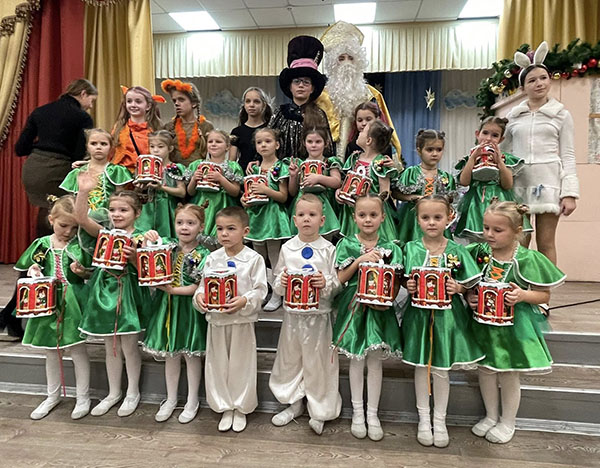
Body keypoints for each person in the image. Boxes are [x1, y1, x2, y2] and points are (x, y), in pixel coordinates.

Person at [465, 201, 565, 444]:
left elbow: (543, 295)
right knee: (485, 369)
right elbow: (468, 284)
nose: (489, 234)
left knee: (509, 373)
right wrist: (469, 297)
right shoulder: (479, 253)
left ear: (517, 231)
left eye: (497, 230)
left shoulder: (528, 258)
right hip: (483, 323)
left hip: (514, 326)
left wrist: (522, 295)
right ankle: (490, 416)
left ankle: (508, 421)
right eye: (486, 228)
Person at [402, 195, 484, 448]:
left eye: (437, 217)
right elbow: (405, 279)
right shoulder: (411, 248)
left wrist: (458, 287)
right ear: (418, 220)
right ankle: (423, 419)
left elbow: (470, 283)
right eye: (425, 217)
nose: (431, 222)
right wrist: (409, 285)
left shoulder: (456, 250)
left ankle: (440, 420)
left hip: (447, 318)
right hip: (419, 317)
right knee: (421, 366)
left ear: (449, 218)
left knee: (440, 369)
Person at [74, 176, 149, 417]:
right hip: (105, 291)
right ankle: (113, 392)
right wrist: (83, 192)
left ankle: (133, 392)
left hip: (129, 293)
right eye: (113, 210)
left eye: (123, 210)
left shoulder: (143, 237)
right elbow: (81, 218)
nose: (117, 214)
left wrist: (134, 257)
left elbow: (148, 271)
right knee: (111, 346)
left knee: (129, 346)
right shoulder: (105, 233)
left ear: (137, 213)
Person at [332, 194, 403, 441]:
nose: (368, 219)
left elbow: (396, 282)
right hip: (354, 306)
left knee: (374, 361)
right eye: (362, 215)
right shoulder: (346, 244)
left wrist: (388, 299)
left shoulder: (392, 247)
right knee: (356, 359)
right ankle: (357, 412)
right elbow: (340, 278)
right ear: (354, 218)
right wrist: (359, 261)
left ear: (383, 217)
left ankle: (373, 414)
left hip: (379, 310)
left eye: (373, 215)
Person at [14, 195, 92, 420]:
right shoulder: (42, 244)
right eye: (63, 225)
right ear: (51, 220)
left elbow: (89, 272)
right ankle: (52, 395)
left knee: (77, 350)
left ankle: (83, 397)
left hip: (73, 302)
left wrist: (82, 272)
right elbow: (34, 265)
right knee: (51, 351)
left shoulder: (79, 246)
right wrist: (34, 271)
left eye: (74, 227)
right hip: (47, 301)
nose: (68, 232)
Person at [270, 194, 342, 435]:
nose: (306, 219)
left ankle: (319, 409)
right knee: (291, 360)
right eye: (301, 215)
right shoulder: (287, 248)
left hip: (319, 316)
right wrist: (281, 282)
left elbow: (336, 283)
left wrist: (326, 283)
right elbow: (277, 282)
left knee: (318, 363)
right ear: (294, 220)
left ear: (322, 220)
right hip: (293, 317)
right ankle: (293, 404)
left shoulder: (329, 249)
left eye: (312, 215)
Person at [502, 41, 579, 265]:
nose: (539, 84)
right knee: (519, 242)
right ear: (523, 87)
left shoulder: (561, 114)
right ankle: (517, 284)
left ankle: (547, 287)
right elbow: (503, 152)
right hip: (519, 184)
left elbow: (568, 155)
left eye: (543, 78)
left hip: (549, 183)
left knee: (546, 243)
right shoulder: (513, 116)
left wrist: (570, 193)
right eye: (532, 80)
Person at [193, 207, 268, 433]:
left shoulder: (254, 259)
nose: (224, 234)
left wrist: (244, 300)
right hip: (217, 321)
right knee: (218, 364)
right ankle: (224, 406)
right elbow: (202, 287)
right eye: (220, 229)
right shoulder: (212, 258)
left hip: (242, 321)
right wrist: (200, 298)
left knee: (241, 364)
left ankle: (241, 406)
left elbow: (261, 290)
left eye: (231, 228)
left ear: (245, 231)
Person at [142, 204, 211, 424]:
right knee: (171, 355)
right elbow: (147, 254)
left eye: (191, 223)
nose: (184, 227)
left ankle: (192, 400)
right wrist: (148, 239)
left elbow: (199, 286)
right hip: (167, 307)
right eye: (180, 222)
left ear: (201, 227)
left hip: (189, 309)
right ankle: (171, 398)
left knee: (191, 356)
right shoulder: (168, 246)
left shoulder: (204, 254)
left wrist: (173, 290)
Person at [16, 78, 97, 237]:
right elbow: (78, 155)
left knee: (47, 209)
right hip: (57, 169)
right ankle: (56, 248)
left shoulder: (40, 111)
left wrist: (42, 147)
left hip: (32, 169)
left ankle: (42, 248)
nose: (91, 106)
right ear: (83, 94)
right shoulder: (82, 117)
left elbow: (20, 148)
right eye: (91, 100)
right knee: (61, 210)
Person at [316, 21, 402, 163]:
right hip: (328, 161)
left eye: (351, 58)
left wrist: (394, 160)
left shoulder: (371, 95)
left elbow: (385, 129)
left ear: (358, 62)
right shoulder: (321, 97)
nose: (347, 63)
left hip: (365, 160)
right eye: (341, 58)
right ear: (333, 64)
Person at [455, 117, 532, 240]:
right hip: (476, 201)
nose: (488, 138)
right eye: (485, 133)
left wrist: (499, 162)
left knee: (500, 234)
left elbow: (507, 185)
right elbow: (464, 182)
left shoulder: (505, 158)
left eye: (494, 135)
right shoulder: (470, 157)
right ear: (477, 134)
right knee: (478, 237)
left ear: (501, 139)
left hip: (500, 200)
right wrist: (472, 159)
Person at [242, 128, 292, 311]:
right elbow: (248, 193)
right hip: (256, 217)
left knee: (274, 256)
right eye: (259, 142)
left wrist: (266, 190)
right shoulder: (254, 168)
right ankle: (263, 291)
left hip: (272, 217)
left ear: (277, 145)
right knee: (258, 258)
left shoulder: (280, 167)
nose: (263, 145)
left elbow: (283, 196)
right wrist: (244, 200)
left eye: (268, 141)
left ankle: (278, 294)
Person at [269, 35, 334, 161]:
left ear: (312, 88)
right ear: (290, 87)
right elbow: (268, 139)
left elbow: (328, 147)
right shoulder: (280, 113)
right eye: (296, 81)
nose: (301, 86)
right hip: (283, 169)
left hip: (312, 168)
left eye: (306, 82)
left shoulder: (319, 114)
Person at [335, 121, 398, 241]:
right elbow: (346, 183)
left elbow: (384, 193)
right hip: (353, 213)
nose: (359, 133)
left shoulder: (380, 163)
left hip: (371, 213)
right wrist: (340, 192)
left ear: (368, 140)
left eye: (362, 131)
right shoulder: (354, 158)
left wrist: (371, 204)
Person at [394, 129, 456, 244]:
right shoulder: (410, 173)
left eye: (439, 149)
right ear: (419, 150)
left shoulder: (446, 177)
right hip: (413, 220)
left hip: (437, 219)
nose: (435, 154)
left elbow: (450, 199)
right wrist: (412, 198)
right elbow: (395, 193)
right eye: (430, 149)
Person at [187, 129, 243, 248]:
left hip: (224, 207)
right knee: (202, 243)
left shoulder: (232, 166)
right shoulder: (197, 165)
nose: (213, 144)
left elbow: (235, 192)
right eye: (210, 141)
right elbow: (190, 192)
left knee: (223, 241)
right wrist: (194, 179)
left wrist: (221, 179)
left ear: (227, 147)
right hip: (203, 207)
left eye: (218, 142)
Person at [60, 128, 133, 214]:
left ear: (111, 147)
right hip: (82, 218)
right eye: (93, 143)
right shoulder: (77, 173)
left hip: (109, 218)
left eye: (103, 144)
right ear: (87, 147)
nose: (98, 147)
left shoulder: (117, 171)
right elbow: (72, 201)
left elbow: (120, 200)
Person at [288, 128, 342, 238]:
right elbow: (292, 192)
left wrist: (318, 178)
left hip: (325, 207)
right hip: (303, 205)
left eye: (318, 142)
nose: (313, 145)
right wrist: (293, 176)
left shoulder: (329, 162)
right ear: (304, 143)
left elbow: (337, 182)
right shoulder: (299, 163)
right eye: (310, 142)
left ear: (326, 143)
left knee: (324, 239)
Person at [135, 130, 187, 238]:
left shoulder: (174, 168)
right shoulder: (145, 167)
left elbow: (182, 192)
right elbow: (137, 192)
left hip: (167, 209)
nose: (155, 150)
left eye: (160, 147)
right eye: (152, 146)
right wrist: (139, 188)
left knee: (166, 237)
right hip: (148, 208)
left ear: (170, 149)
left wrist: (161, 188)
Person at [111, 85, 164, 173]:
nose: (133, 105)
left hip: (147, 175)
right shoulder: (119, 128)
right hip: (122, 176)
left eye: (138, 101)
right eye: (129, 101)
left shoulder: (156, 130)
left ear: (148, 106)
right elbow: (110, 154)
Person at [161, 79, 214, 166]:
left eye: (181, 100)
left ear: (194, 103)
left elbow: (213, 153)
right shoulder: (169, 127)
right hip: (174, 171)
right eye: (174, 101)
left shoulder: (206, 126)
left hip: (198, 170)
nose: (177, 104)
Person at [230, 87, 272, 172]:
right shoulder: (237, 132)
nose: (251, 105)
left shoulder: (270, 129)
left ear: (264, 105)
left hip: (266, 173)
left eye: (256, 101)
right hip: (242, 174)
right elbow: (231, 161)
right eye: (248, 101)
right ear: (244, 105)